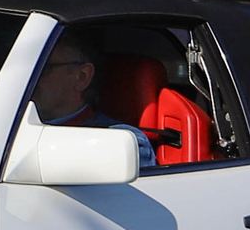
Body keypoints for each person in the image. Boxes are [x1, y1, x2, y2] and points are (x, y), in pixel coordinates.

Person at [30, 37, 156, 167]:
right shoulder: (13, 127)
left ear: (82, 77)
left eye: (43, 68)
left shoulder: (118, 143)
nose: (28, 79)